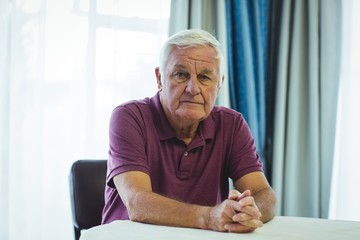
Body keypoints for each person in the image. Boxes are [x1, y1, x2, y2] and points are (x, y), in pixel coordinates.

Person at [101, 29, 276, 233]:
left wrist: (249, 212)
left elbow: (263, 193)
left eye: (204, 77)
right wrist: (209, 217)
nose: (193, 89)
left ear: (219, 85)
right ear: (159, 78)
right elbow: (137, 203)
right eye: (181, 75)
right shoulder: (129, 117)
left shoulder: (232, 124)